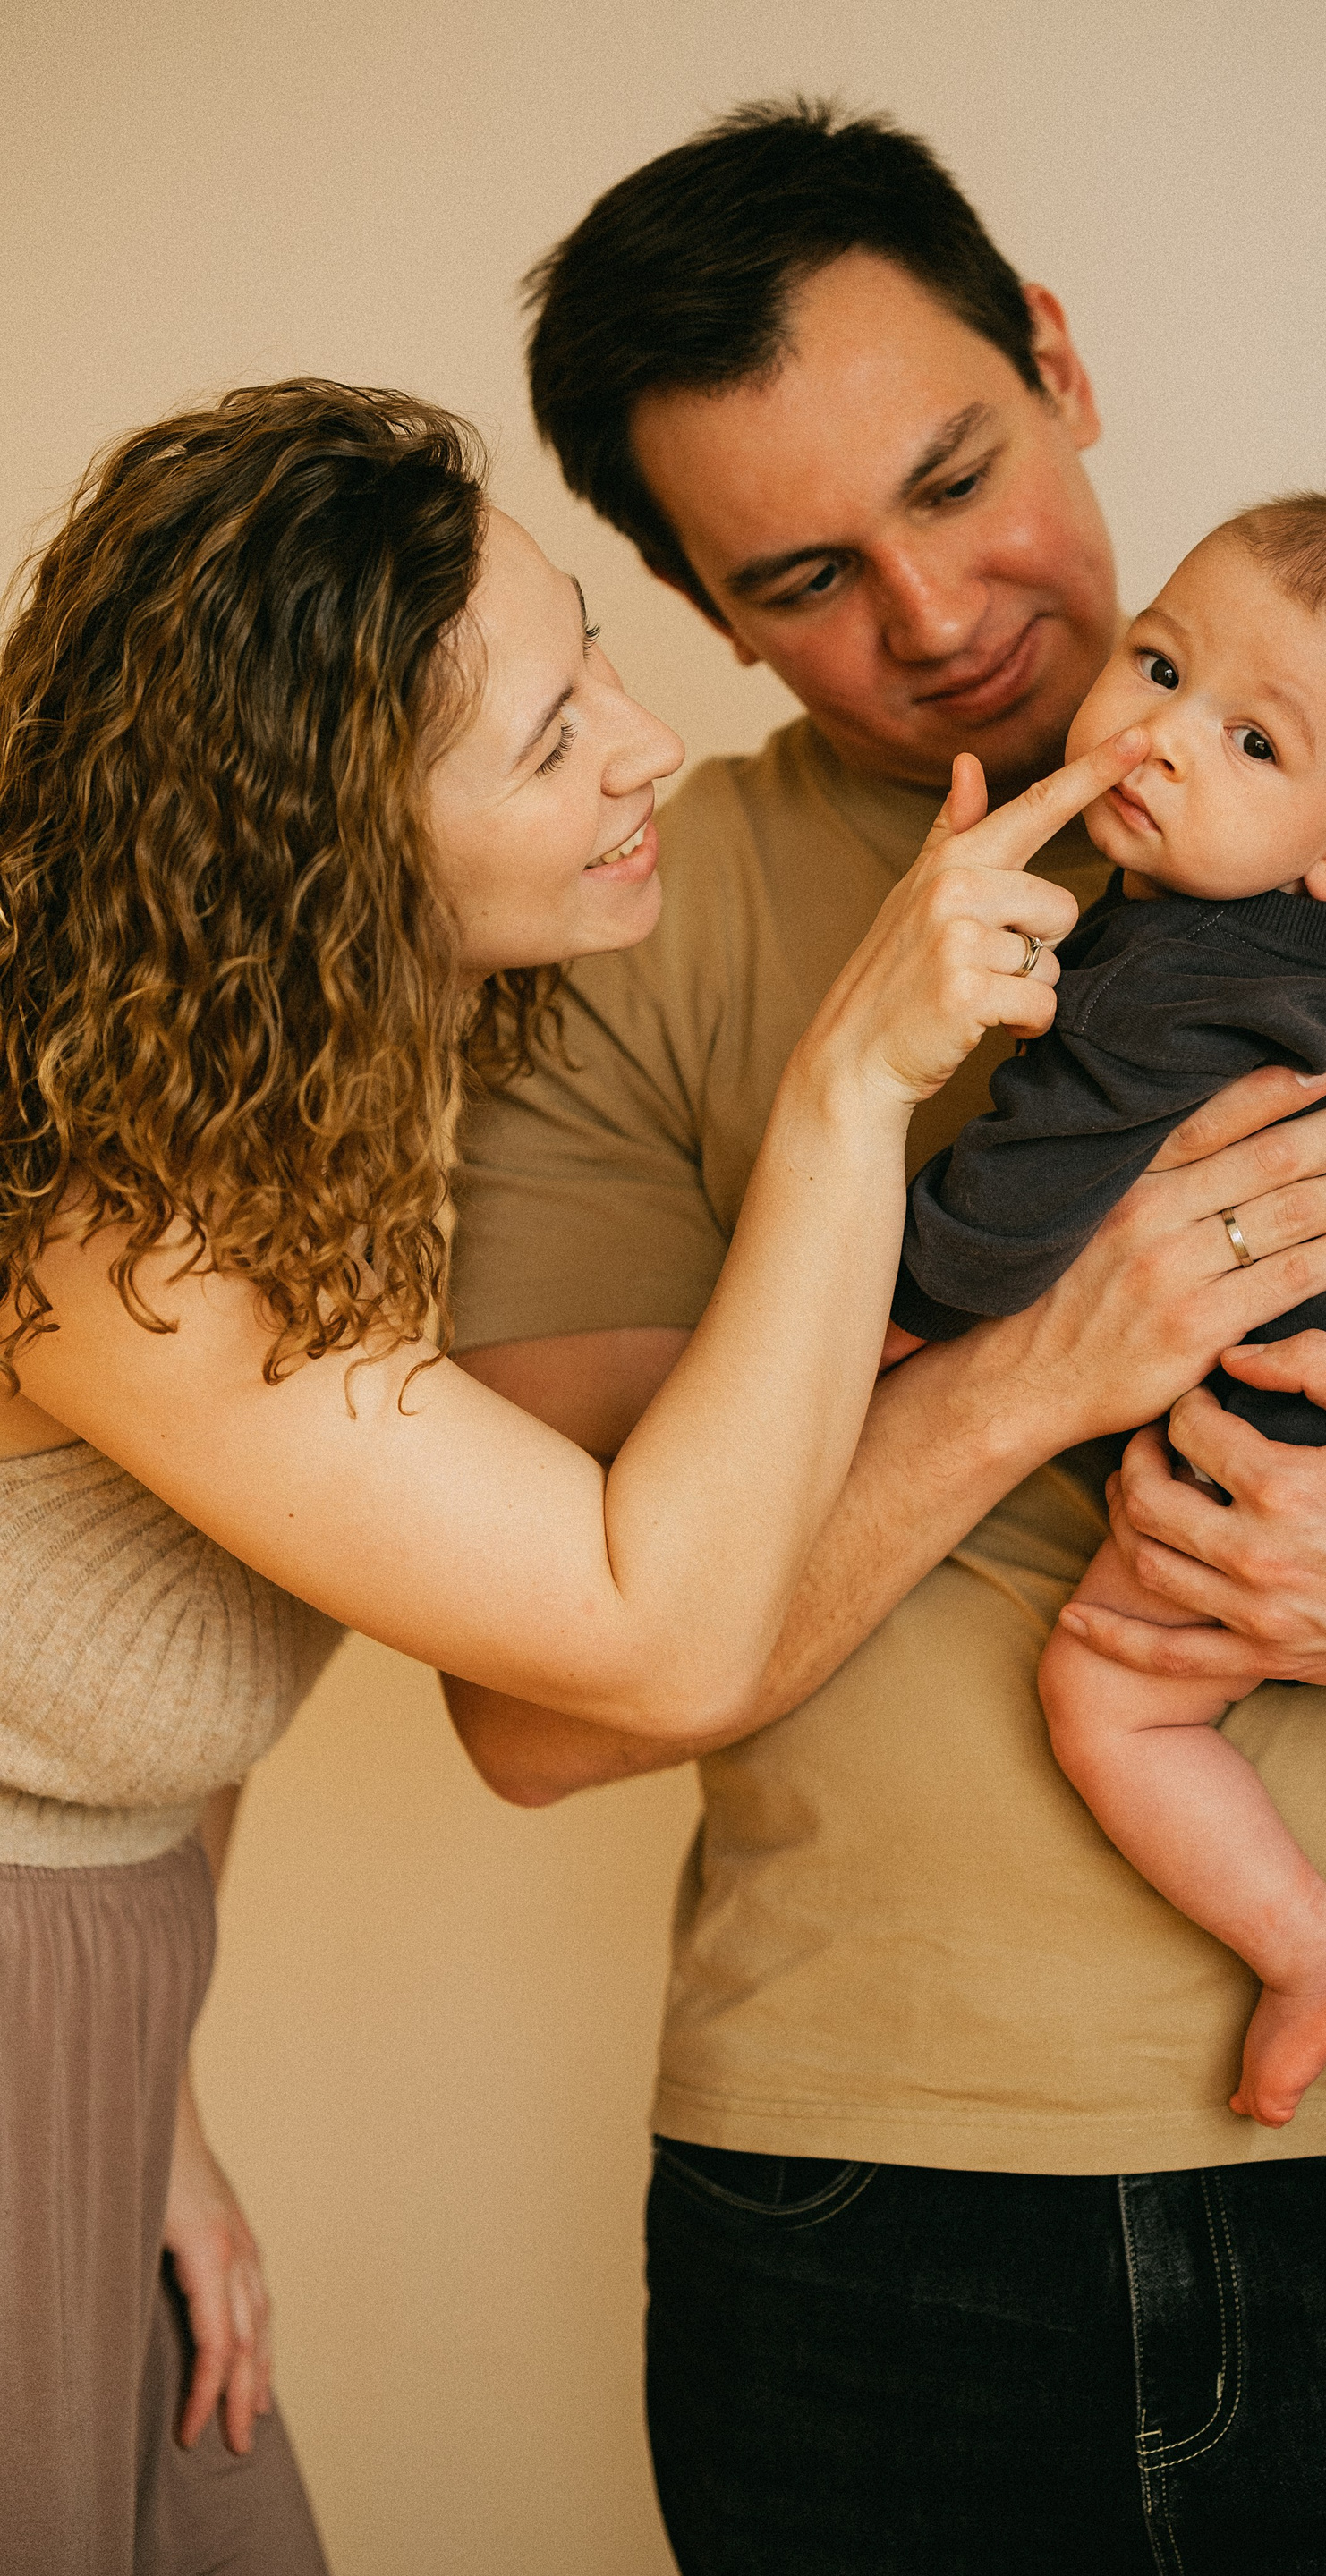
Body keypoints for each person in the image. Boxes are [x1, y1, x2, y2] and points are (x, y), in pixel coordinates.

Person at [446, 103, 1326, 2568]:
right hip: (861, 2199)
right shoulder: (620, 918)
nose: (934, 614)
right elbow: (536, 1712)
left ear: (1058, 359)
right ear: (703, 613)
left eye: (959, 477)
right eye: (805, 575)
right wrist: (1036, 1369)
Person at [0, 375, 1166, 2570]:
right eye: (550, 740)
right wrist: (852, 1081)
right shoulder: (122, 1228)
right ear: (327, 851)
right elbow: (659, 1640)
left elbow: (162, 1691)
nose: (645, 748)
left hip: (99, 2012)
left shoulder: (288, 1107)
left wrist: (155, 2107)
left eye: (597, 661)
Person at [894, 490, 1326, 2318]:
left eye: (1251, 741)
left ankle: (1310, 1952)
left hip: (1292, 1444)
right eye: (1160, 666)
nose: (1161, 739)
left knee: (1109, 1697)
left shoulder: (1150, 988)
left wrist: (885, 1327)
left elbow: (1004, 1216)